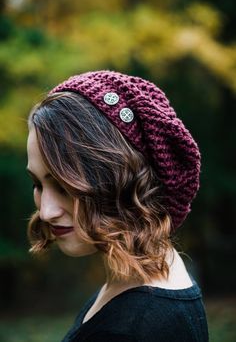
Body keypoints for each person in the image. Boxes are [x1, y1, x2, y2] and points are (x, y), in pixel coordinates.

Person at [26, 70, 209, 341]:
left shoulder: (131, 329)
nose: (46, 212)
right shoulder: (143, 283)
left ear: (120, 180)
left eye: (64, 187)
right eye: (38, 185)